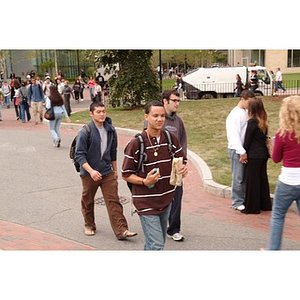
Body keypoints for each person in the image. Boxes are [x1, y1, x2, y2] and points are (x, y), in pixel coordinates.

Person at [121, 100, 188, 250]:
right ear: (146, 117)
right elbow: (126, 174)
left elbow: (182, 160)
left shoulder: (171, 139)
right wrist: (145, 181)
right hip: (145, 203)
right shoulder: (136, 144)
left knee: (155, 244)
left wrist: (183, 169)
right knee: (157, 245)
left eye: (162, 116)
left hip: (166, 199)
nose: (159, 119)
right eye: (155, 115)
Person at [75, 101, 137, 239]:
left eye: (103, 111)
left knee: (113, 200)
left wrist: (115, 171)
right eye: (98, 112)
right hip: (89, 173)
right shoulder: (85, 131)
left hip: (106, 171)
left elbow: (112, 152)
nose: (102, 114)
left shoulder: (110, 130)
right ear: (91, 114)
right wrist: (91, 171)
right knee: (88, 200)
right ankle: (89, 224)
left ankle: (122, 230)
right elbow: (79, 155)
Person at [266, 96, 300, 250]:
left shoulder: (282, 134)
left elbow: (276, 159)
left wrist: (270, 145)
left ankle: (273, 250)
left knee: (278, 216)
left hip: (287, 182)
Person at [161, 90, 187, 242]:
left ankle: (173, 229)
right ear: (165, 101)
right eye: (174, 100)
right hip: (159, 165)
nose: (177, 103)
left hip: (175, 166)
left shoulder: (178, 121)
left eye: (178, 100)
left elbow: (183, 142)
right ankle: (157, 224)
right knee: (160, 197)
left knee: (177, 197)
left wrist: (183, 161)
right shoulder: (156, 118)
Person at [240, 97, 272, 214]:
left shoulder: (252, 121)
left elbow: (247, 140)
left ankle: (252, 207)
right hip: (263, 154)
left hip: (254, 155)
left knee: (252, 181)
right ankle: (265, 204)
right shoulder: (263, 121)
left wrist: (243, 153)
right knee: (262, 179)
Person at [226, 89, 255, 210]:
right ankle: (237, 201)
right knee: (238, 177)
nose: (250, 104)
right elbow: (234, 135)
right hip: (237, 149)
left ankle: (242, 198)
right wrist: (241, 151)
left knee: (243, 176)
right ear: (242, 99)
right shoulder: (235, 115)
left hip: (243, 149)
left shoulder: (245, 112)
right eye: (249, 101)